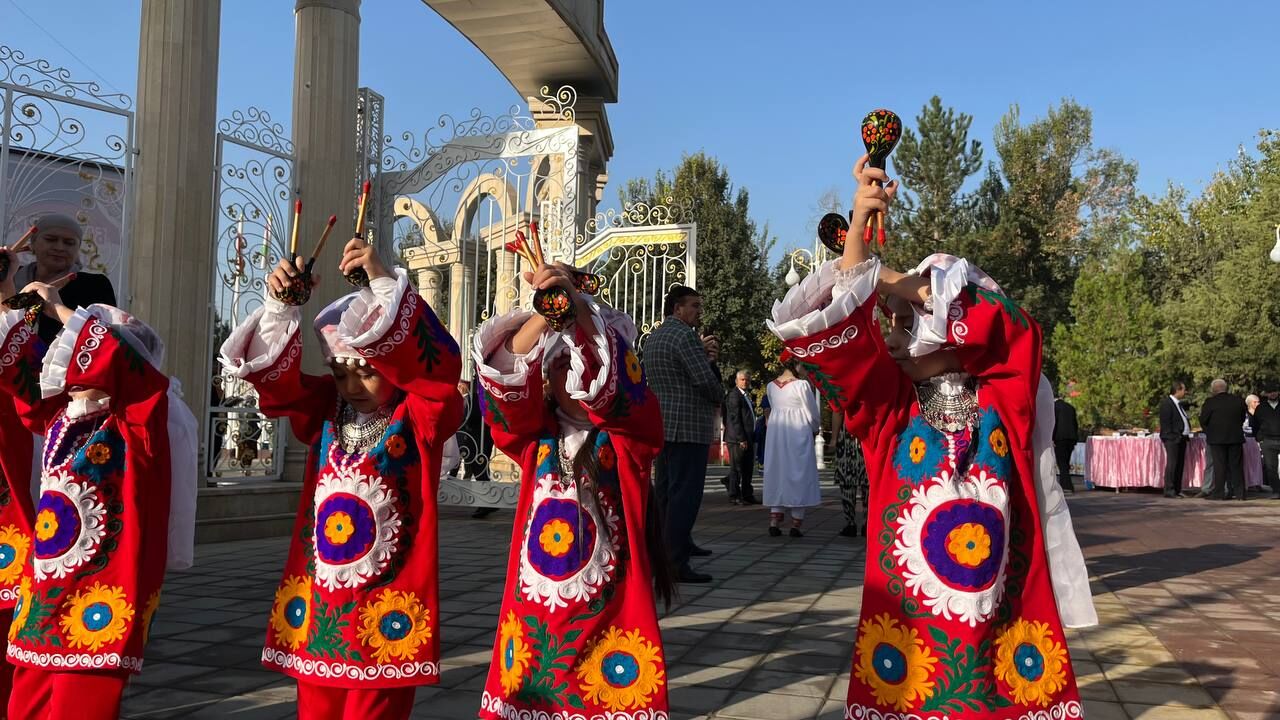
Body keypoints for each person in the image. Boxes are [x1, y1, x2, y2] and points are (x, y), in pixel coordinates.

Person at [767, 154, 1093, 719]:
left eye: (906, 320)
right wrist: (860, 235)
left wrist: (908, 287)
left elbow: (1015, 333)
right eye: (889, 318)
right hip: (909, 644)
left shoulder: (1002, 404)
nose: (892, 334)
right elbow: (840, 342)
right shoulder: (890, 414)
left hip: (1001, 628)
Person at [219, 239, 463, 720]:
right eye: (341, 372)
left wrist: (384, 283)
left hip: (387, 607)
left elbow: (439, 374)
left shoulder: (419, 417)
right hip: (322, 605)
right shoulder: (325, 409)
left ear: (393, 363)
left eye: (369, 372)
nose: (354, 387)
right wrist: (280, 306)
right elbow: (275, 384)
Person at [471, 261, 672, 720]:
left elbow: (622, 392)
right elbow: (503, 378)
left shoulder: (628, 443)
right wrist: (548, 310)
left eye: (582, 363)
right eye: (562, 366)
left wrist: (577, 308)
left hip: (606, 620)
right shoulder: (534, 442)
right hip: (535, 620)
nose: (574, 378)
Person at [0, 275, 197, 720]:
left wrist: (61, 310)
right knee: (23, 705)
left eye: (78, 360)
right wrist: (18, 310)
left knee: (81, 707)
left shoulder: (141, 423)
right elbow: (16, 375)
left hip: (103, 592)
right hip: (46, 587)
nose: (68, 368)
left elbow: (129, 368)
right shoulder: (62, 419)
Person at [643, 286, 720, 583]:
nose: (698, 311)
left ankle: (666, 550)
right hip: (688, 424)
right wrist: (717, 385)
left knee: (665, 493)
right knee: (685, 495)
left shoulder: (655, 337)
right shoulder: (685, 335)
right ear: (677, 308)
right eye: (694, 306)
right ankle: (676, 562)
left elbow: (672, 374)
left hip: (663, 423)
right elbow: (703, 380)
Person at [13, 213, 116, 348]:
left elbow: (107, 338)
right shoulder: (12, 277)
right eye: (51, 239)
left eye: (69, 243)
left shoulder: (94, 285)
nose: (60, 247)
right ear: (33, 244)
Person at [763, 361, 821, 537]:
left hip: (777, 432)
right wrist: (815, 427)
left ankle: (774, 520)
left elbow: (774, 408)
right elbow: (811, 411)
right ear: (796, 365)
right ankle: (796, 524)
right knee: (798, 472)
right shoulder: (802, 385)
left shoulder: (771, 386)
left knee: (778, 471)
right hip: (797, 431)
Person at [1199, 379, 1248, 501]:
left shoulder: (1210, 402)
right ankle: (1240, 493)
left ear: (1214, 389)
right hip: (1235, 437)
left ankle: (1219, 493)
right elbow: (1242, 417)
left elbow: (1203, 419)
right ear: (1226, 388)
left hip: (1217, 439)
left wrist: (1209, 431)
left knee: (1219, 466)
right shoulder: (1238, 400)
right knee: (1236, 466)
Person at [721, 370, 760, 505]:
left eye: (747, 380)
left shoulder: (745, 395)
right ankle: (734, 495)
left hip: (747, 438)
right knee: (736, 468)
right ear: (737, 381)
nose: (745, 382)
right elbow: (734, 419)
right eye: (743, 379)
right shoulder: (734, 395)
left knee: (747, 467)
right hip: (738, 439)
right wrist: (741, 438)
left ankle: (747, 494)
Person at [832, 412, 870, 537]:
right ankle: (867, 524)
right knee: (868, 483)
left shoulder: (843, 391)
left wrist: (833, 439)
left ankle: (850, 523)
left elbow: (837, 411)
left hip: (847, 436)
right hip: (867, 434)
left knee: (847, 482)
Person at [1159, 382, 1192, 499]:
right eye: (1184, 390)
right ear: (1178, 390)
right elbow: (1166, 423)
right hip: (1172, 438)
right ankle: (1169, 489)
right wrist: (1173, 436)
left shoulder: (1179, 404)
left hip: (1181, 438)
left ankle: (1177, 489)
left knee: (1179, 464)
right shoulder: (1167, 404)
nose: (1185, 392)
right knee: (1172, 464)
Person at [1250, 387, 1280, 499]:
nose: (1272, 394)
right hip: (1267, 440)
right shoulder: (1261, 408)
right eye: (1270, 392)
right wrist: (1259, 438)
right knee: (1270, 468)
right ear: (1266, 394)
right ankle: (1277, 490)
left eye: (1275, 391)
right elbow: (1254, 424)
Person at [1052, 393, 1079, 494]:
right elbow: (1075, 424)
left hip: (1060, 438)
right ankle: (1067, 484)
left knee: (1062, 463)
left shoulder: (1054, 408)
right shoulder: (1070, 407)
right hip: (1071, 438)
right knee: (1066, 462)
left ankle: (1066, 485)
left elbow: (1053, 423)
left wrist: (1052, 437)